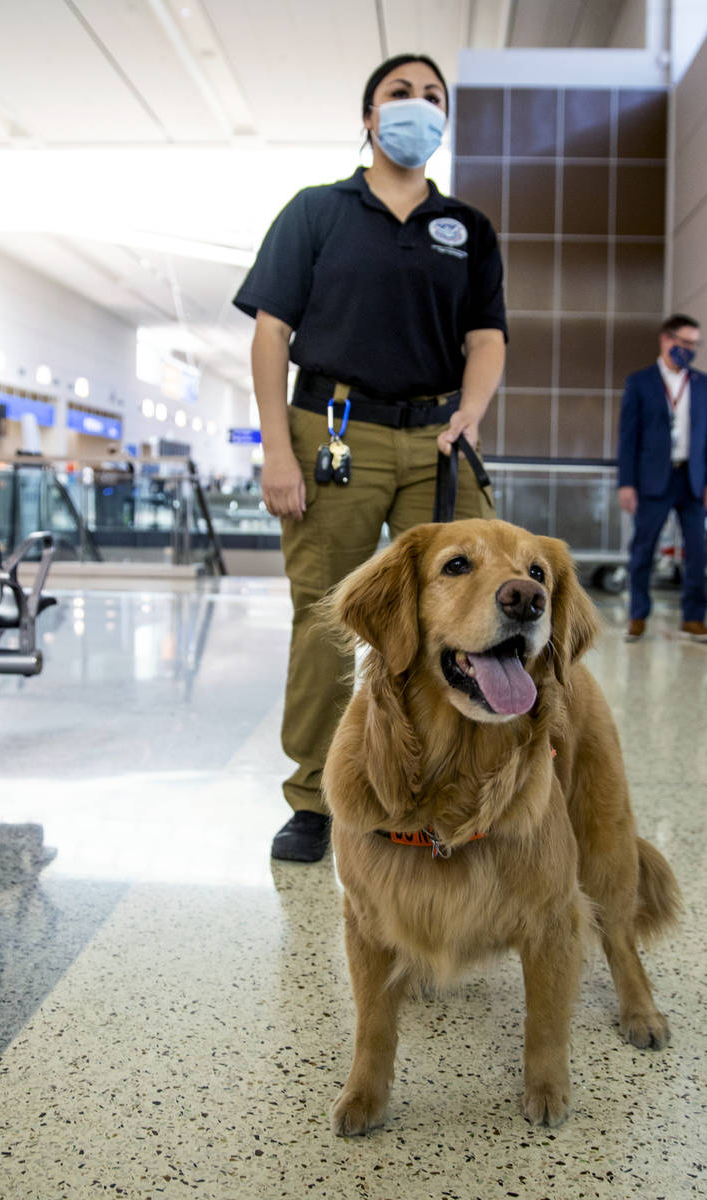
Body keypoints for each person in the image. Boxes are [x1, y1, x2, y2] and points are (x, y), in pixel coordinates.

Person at [232, 54, 507, 862]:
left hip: (435, 441)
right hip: (331, 433)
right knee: (326, 617)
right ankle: (317, 795)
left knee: (468, 608)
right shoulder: (317, 212)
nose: (416, 108)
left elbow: (486, 338)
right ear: (368, 117)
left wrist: (471, 413)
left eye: (432, 98)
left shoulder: (467, 228)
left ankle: (451, 783)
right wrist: (276, 449)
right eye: (400, 95)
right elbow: (270, 332)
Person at [617, 313, 707, 643]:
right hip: (653, 480)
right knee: (643, 551)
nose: (690, 349)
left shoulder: (704, 384)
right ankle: (637, 615)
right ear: (666, 340)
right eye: (685, 342)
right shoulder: (641, 381)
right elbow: (628, 437)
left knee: (696, 552)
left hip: (692, 480)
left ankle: (693, 619)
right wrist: (627, 483)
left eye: (695, 344)